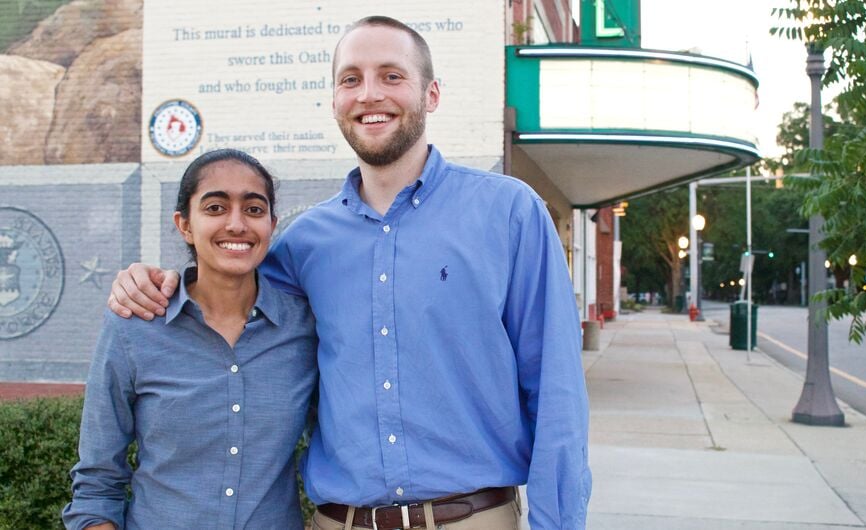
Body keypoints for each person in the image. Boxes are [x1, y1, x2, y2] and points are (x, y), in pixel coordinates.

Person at [109, 16, 590, 529]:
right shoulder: (301, 245)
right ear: (335, 100)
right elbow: (224, 292)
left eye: (391, 76)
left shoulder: (508, 213)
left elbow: (555, 389)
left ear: (431, 95)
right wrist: (152, 282)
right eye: (351, 79)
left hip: (472, 518)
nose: (369, 94)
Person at [65, 149, 317, 529]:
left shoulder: (303, 328)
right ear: (184, 225)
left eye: (253, 209)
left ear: (271, 225)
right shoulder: (135, 326)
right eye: (215, 208)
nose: (236, 224)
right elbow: (97, 485)